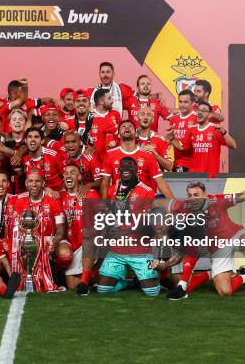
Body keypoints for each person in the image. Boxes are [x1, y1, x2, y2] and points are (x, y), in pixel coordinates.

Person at [166, 179, 245, 304]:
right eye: (190, 195)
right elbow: (162, 206)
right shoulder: (185, 206)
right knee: (225, 291)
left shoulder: (218, 200)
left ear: (205, 195)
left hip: (232, 237)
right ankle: (244, 277)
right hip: (216, 247)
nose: (193, 199)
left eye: (196, 195)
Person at [97, 157, 160, 297]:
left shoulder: (146, 191)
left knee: (152, 292)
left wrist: (124, 230)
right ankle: (128, 282)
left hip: (140, 251)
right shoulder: (113, 190)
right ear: (118, 170)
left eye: (130, 166)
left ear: (136, 170)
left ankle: (143, 278)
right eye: (123, 167)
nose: (126, 169)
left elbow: (148, 226)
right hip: (116, 251)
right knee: (102, 289)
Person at [10, 172, 68, 292]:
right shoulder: (19, 200)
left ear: (43, 183)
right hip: (28, 240)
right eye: (30, 181)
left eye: (37, 181)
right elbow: (15, 228)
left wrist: (52, 244)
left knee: (65, 254)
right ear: (26, 184)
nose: (34, 184)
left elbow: (61, 229)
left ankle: (55, 275)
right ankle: (25, 279)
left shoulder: (53, 199)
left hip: (49, 238)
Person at [100, 120, 174, 198]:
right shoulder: (110, 154)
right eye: (123, 127)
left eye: (130, 126)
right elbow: (105, 183)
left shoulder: (148, 155)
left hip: (143, 199)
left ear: (136, 134)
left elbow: (160, 182)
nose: (127, 128)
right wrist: (104, 206)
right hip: (119, 198)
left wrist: (173, 202)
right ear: (118, 135)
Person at [59, 163, 100, 292]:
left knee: (89, 237)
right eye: (66, 173)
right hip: (72, 244)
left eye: (72, 172)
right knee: (72, 286)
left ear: (80, 177)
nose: (68, 175)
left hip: (88, 242)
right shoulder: (60, 196)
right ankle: (92, 277)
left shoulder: (91, 194)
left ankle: (86, 279)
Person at [168, 101, 237, 178]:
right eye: (198, 110)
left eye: (203, 111)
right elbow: (182, 147)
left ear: (210, 114)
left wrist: (224, 132)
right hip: (194, 175)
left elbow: (233, 145)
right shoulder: (191, 130)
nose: (200, 112)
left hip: (210, 176)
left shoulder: (216, 129)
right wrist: (172, 139)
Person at [69, 90, 117, 159]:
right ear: (73, 104)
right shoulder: (67, 123)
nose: (81, 103)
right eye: (78, 101)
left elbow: (119, 134)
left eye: (84, 101)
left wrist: (112, 143)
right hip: (77, 164)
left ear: (90, 104)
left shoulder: (101, 120)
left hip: (99, 164)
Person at [166, 89, 198, 172]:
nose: (182, 105)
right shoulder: (174, 119)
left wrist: (172, 138)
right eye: (180, 102)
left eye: (186, 102)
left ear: (193, 103)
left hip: (193, 165)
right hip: (177, 164)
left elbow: (183, 147)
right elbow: (168, 141)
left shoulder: (197, 118)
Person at [135, 106, 173, 171]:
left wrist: (155, 154)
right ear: (136, 118)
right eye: (142, 114)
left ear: (152, 119)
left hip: (153, 179)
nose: (145, 117)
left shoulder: (159, 139)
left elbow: (169, 167)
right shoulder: (129, 137)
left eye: (149, 115)